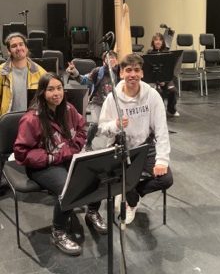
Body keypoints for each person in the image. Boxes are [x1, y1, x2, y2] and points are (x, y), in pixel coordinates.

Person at [13, 74, 102, 256]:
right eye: (51, 89)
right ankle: (58, 231)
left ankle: (92, 212)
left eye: (59, 88)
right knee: (68, 189)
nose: (56, 93)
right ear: (42, 92)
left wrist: (71, 149)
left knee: (95, 174)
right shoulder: (31, 119)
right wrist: (53, 157)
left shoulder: (68, 109)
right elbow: (22, 153)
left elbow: (82, 129)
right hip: (43, 166)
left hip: (67, 158)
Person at [97, 54, 174, 224]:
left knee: (166, 179)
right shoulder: (113, 98)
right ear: (121, 73)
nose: (133, 74)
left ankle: (134, 195)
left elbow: (161, 130)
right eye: (128, 70)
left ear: (142, 73)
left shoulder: (152, 96)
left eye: (137, 70)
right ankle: (130, 199)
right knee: (117, 177)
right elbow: (102, 128)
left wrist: (162, 160)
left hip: (145, 146)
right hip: (120, 147)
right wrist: (116, 125)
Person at [67, 51, 119, 150]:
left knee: (115, 125)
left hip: (113, 103)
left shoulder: (119, 72)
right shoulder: (98, 71)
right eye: (109, 58)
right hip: (98, 102)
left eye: (113, 58)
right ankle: (88, 143)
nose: (111, 60)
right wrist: (74, 72)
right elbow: (84, 80)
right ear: (104, 61)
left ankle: (111, 145)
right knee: (95, 123)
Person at [1, 33, 46, 115]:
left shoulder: (40, 72)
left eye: (21, 44)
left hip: (31, 120)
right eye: (14, 46)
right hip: (7, 121)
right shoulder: (1, 72)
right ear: (9, 51)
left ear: (26, 48)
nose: (18, 48)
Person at [147, 32, 180, 117]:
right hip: (154, 80)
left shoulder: (167, 53)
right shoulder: (149, 53)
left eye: (160, 40)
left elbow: (169, 69)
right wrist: (157, 81)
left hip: (166, 79)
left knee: (173, 90)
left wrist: (164, 81)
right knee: (158, 92)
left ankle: (171, 110)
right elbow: (148, 70)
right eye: (156, 40)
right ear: (153, 42)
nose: (158, 42)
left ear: (162, 42)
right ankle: (159, 111)